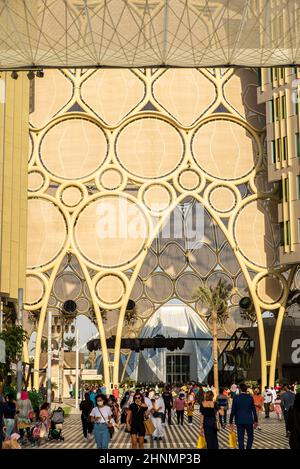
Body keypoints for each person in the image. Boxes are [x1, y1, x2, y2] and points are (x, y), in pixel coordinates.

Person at [230, 382, 258, 450]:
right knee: (250, 437)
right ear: (246, 390)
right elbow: (254, 410)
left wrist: (230, 421)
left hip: (239, 421)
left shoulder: (236, 398)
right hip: (249, 420)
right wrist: (256, 421)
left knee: (240, 438)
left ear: (240, 389)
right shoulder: (250, 398)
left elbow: (233, 411)